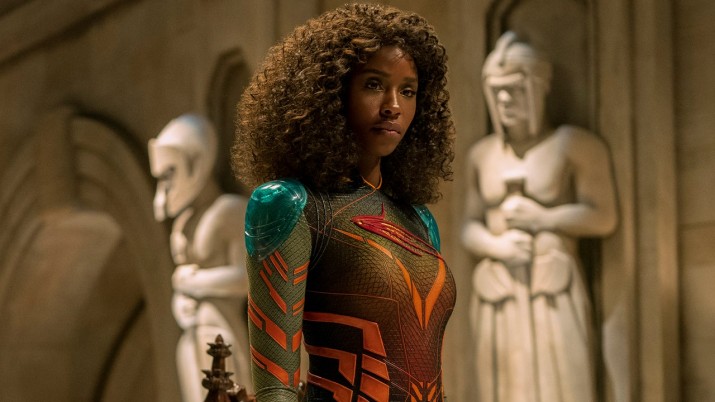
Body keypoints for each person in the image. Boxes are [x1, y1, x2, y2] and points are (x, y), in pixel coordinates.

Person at [231, 4, 456, 401]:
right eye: (374, 84)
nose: (394, 105)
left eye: (408, 91)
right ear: (332, 92)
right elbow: (275, 388)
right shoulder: (290, 204)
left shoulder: (419, 219)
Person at [461, 31, 618, 402]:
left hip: (552, 286)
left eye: (514, 90)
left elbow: (604, 217)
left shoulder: (575, 145)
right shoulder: (481, 155)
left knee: (564, 385)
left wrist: (543, 219)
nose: (504, 100)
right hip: (497, 289)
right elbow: (468, 225)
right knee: (499, 388)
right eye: (496, 91)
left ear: (538, 88)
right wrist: (497, 246)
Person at [149, 114, 251, 401]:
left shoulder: (229, 210)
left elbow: (247, 277)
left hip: (221, 331)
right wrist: (180, 299)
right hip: (190, 333)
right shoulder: (184, 224)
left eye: (169, 174)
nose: (166, 186)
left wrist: (193, 282)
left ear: (194, 162)